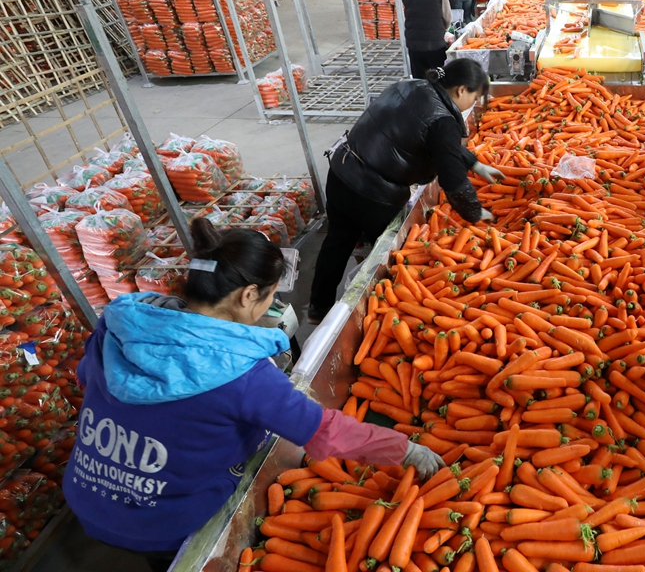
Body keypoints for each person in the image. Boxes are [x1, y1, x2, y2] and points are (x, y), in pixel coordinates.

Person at [64, 218, 447, 570]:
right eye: (269, 296)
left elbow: (86, 378)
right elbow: (327, 431)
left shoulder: (119, 326)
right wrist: (405, 449)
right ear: (248, 296)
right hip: (164, 521)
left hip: (86, 496)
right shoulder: (243, 375)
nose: (269, 305)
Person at [309, 58, 501, 322]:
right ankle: (380, 315)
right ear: (461, 90)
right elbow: (453, 182)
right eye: (476, 97)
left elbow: (431, 139)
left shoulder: (415, 86)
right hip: (373, 194)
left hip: (342, 171)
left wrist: (476, 165)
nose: (475, 103)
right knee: (394, 260)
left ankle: (318, 309)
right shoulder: (444, 121)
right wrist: (476, 213)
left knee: (337, 240)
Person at [398, 0, 451, 80]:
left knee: (419, 81)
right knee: (438, 80)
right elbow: (447, 15)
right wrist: (443, 30)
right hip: (435, 43)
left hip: (414, 43)